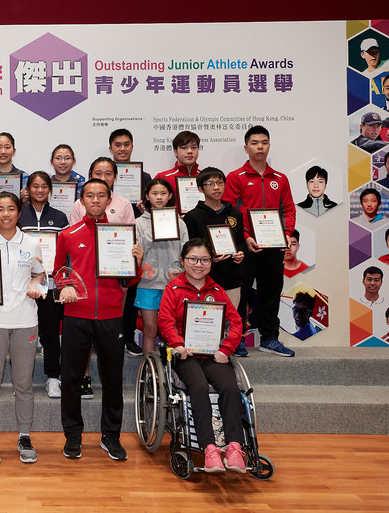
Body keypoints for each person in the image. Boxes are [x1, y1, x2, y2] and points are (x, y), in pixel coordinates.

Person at [54, 178, 143, 461]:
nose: (95, 200)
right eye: (89, 196)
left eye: (100, 196)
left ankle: (111, 436)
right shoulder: (67, 234)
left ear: (109, 200)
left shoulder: (122, 234)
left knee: (113, 379)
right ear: (81, 201)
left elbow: (128, 281)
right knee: (70, 378)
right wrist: (65, 284)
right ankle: (72, 435)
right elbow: (59, 271)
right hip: (76, 315)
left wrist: (136, 262)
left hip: (111, 315)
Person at [158, 238, 247, 474]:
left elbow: (236, 321)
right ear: (183, 261)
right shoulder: (173, 289)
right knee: (197, 387)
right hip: (185, 355)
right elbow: (165, 321)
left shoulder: (217, 291)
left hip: (212, 354)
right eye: (193, 259)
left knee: (230, 386)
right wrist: (177, 345)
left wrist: (226, 349)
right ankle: (209, 449)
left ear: (211, 262)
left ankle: (235, 447)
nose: (199, 264)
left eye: (205, 260)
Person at [0, 192, 45, 465]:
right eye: (0, 209)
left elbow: (40, 274)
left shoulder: (31, 242)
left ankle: (24, 435)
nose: (5, 214)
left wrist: (36, 287)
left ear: (19, 212)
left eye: (11, 209)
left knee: (23, 384)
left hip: (25, 320)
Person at [223, 125, 296, 358]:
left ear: (269, 146)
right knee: (241, 293)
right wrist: (245, 236)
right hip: (245, 245)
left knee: (271, 291)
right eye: (254, 143)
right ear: (246, 148)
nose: (260, 146)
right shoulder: (235, 177)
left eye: (264, 142)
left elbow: (289, 210)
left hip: (274, 245)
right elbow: (230, 213)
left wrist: (286, 233)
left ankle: (270, 339)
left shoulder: (280, 179)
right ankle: (236, 339)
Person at [68, 157, 136, 396]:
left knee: (110, 351)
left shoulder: (124, 203)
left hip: (112, 285)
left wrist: (131, 264)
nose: (104, 176)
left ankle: (111, 421)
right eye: (99, 172)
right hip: (83, 287)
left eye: (109, 173)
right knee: (82, 343)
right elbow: (73, 246)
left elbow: (130, 239)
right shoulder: (78, 209)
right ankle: (85, 376)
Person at [19, 171, 68, 398]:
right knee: (23, 334)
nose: (39, 190)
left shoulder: (60, 217)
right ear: (28, 189)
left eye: (44, 186)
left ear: (50, 189)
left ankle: (53, 377)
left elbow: (65, 254)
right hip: (23, 287)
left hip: (50, 286)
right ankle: (22, 380)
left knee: (50, 334)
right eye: (35, 186)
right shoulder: (18, 215)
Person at [108, 128, 152, 357]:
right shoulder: (102, 176)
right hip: (105, 243)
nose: (122, 148)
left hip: (132, 242)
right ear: (111, 148)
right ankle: (107, 336)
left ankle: (127, 335)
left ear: (132, 147)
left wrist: (146, 207)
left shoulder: (144, 177)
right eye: (118, 145)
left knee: (130, 293)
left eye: (126, 144)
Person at [134, 178, 189, 355]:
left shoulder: (179, 222)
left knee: (171, 330)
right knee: (150, 329)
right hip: (147, 283)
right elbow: (137, 250)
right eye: (154, 193)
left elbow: (186, 251)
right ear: (147, 197)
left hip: (173, 283)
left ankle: (172, 372)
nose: (159, 198)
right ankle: (150, 373)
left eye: (163, 193)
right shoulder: (139, 223)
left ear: (170, 196)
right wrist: (156, 225)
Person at [183, 167, 246, 310]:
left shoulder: (235, 214)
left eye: (220, 183)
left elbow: (240, 242)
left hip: (232, 277)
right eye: (210, 184)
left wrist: (241, 253)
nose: (216, 187)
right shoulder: (193, 216)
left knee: (230, 321)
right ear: (200, 189)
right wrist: (209, 257)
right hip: (204, 278)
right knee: (208, 321)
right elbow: (189, 248)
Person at [155, 130, 201, 210]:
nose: (190, 151)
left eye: (193, 147)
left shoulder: (206, 177)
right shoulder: (162, 177)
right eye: (184, 148)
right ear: (175, 152)